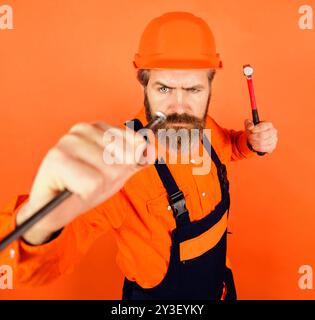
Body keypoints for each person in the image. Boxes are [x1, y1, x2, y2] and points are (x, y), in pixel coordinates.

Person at [0, 12, 278, 299]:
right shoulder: (118, 163)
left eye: (193, 89)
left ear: (210, 87)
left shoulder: (204, 128)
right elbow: (31, 269)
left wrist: (249, 142)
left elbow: (227, 148)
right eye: (164, 88)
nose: (179, 107)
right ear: (143, 84)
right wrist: (41, 220)